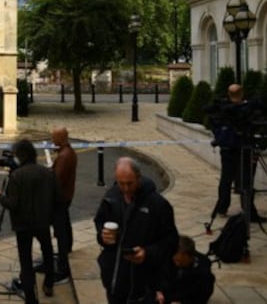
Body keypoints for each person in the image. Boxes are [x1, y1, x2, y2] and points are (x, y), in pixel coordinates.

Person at [94, 157, 178, 304]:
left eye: (129, 183)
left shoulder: (158, 205)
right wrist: (103, 236)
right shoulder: (111, 197)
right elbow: (100, 222)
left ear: (138, 178)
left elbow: (171, 241)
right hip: (114, 280)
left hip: (142, 284)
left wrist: (147, 252)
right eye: (121, 183)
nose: (125, 189)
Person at [0, 139, 56, 303]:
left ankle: (30, 298)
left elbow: (12, 204)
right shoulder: (47, 172)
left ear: (21, 156)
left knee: (26, 262)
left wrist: (0, 197)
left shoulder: (17, 176)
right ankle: (49, 283)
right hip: (42, 222)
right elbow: (56, 198)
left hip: (23, 225)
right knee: (47, 252)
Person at [207, 84, 267, 223]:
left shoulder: (225, 109)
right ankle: (247, 211)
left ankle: (222, 208)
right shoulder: (239, 110)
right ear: (242, 94)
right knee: (244, 181)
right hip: (238, 149)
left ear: (229, 94)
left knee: (227, 180)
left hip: (232, 149)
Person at [50, 127, 77, 282]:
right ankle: (68, 248)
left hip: (61, 198)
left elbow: (57, 179)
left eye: (54, 137)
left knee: (60, 229)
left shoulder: (64, 156)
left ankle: (62, 266)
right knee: (65, 223)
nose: (52, 140)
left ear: (60, 138)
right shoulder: (68, 152)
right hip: (67, 195)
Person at [156, 235, 215, 304]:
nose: (177, 264)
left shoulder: (204, 272)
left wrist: (182, 303)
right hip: (165, 295)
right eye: (176, 260)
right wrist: (158, 291)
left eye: (181, 262)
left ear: (191, 257)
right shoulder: (168, 256)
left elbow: (202, 297)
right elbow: (157, 274)